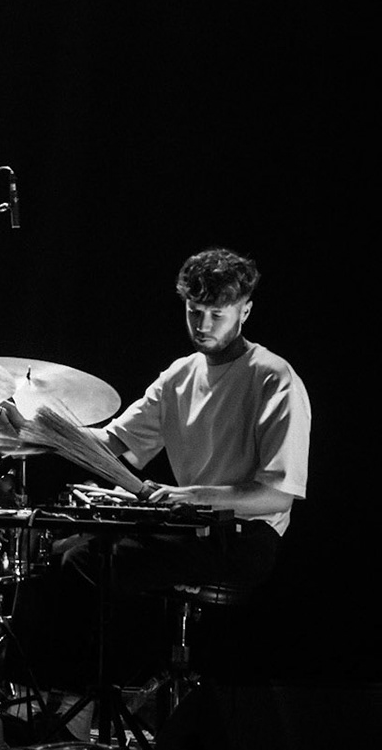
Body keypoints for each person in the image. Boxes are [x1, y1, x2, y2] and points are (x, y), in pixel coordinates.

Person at [54, 246, 310, 597]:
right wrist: (37, 429)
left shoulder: (273, 378)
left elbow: (277, 496)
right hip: (193, 526)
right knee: (61, 549)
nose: (202, 326)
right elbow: (112, 442)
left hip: (245, 538)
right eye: (195, 312)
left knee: (87, 561)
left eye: (216, 315)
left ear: (245, 311)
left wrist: (190, 496)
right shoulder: (180, 375)